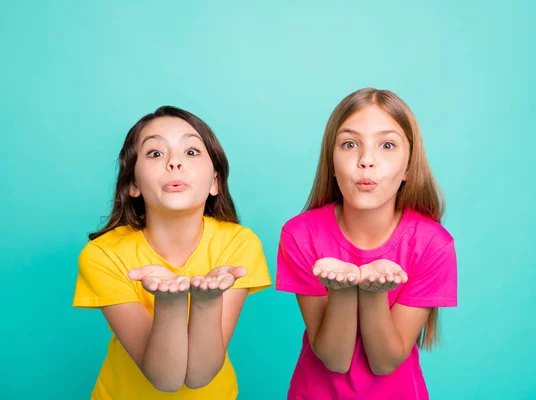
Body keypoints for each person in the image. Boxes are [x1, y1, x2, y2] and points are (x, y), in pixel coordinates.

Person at [73, 106, 271, 399]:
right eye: (155, 153)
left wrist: (206, 302)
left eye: (191, 152)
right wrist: (170, 302)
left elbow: (199, 376)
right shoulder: (103, 254)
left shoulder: (239, 244)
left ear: (215, 181)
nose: (175, 163)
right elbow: (164, 378)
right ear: (133, 184)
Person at [276, 88, 458, 399]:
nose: (366, 161)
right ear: (331, 163)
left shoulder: (433, 244)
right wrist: (342, 289)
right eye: (349, 144)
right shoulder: (300, 235)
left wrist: (375, 292)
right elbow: (334, 357)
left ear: (409, 167)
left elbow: (385, 362)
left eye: (387, 145)